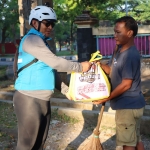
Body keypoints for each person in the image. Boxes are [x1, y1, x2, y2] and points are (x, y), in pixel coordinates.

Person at [13, 5, 91, 150]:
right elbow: (57, 63)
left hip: (41, 100)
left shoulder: (42, 43)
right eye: (47, 23)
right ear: (35, 23)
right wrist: (81, 67)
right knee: (27, 146)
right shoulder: (32, 40)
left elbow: (50, 71)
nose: (50, 27)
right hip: (29, 99)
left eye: (52, 24)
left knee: (39, 144)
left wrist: (66, 91)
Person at [94, 16, 145, 150]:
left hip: (128, 107)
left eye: (118, 32)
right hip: (132, 105)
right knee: (135, 139)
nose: (115, 35)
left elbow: (126, 84)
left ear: (129, 33)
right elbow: (112, 70)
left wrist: (106, 97)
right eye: (114, 32)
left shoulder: (130, 55)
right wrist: (99, 65)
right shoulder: (119, 51)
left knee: (127, 144)